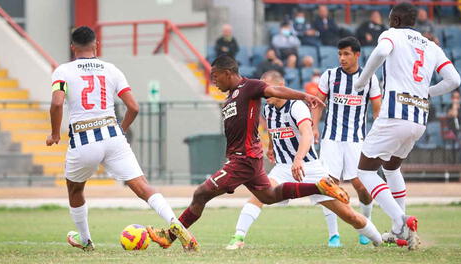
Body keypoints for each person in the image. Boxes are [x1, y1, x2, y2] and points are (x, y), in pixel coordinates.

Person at [147, 55, 350, 249]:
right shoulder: (230, 98)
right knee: (269, 196)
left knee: (201, 193)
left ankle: (170, 236)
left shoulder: (250, 86)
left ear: (227, 73)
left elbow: (276, 90)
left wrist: (304, 95)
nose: (213, 82)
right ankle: (319, 187)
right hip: (248, 158)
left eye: (215, 76)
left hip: (243, 159)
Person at [47, 26, 198, 251]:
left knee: (75, 190)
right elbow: (134, 107)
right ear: (96, 45)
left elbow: (58, 103)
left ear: (72, 47)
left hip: (83, 138)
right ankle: (174, 223)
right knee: (142, 186)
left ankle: (86, 240)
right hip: (112, 134)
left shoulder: (62, 71)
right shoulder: (111, 70)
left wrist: (55, 133)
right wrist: (121, 129)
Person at [225, 71, 383, 250]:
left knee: (349, 215)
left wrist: (298, 158)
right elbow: (272, 127)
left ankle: (379, 240)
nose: (264, 92)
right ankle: (238, 237)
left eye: (268, 88)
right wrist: (271, 147)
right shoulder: (267, 108)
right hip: (283, 168)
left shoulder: (297, 107)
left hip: (310, 168)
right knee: (259, 194)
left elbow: (307, 134)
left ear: (280, 88)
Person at [353, 3, 461, 250]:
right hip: (419, 119)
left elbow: (380, 52)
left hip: (394, 115)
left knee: (366, 172)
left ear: (397, 19)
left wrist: (362, 80)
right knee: (391, 169)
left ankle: (401, 221)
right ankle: (398, 233)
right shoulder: (431, 45)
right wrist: (426, 92)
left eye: (391, 18)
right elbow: (454, 80)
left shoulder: (391, 35)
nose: (389, 21)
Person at [312, 36, 382, 247]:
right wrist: (314, 126)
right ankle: (334, 235)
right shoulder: (330, 75)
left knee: (361, 185)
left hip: (356, 140)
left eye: (346, 54)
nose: (342, 58)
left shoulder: (369, 78)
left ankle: (365, 225)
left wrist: (377, 136)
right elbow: (317, 103)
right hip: (331, 140)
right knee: (328, 186)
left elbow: (377, 109)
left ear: (357, 55)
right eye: (340, 54)